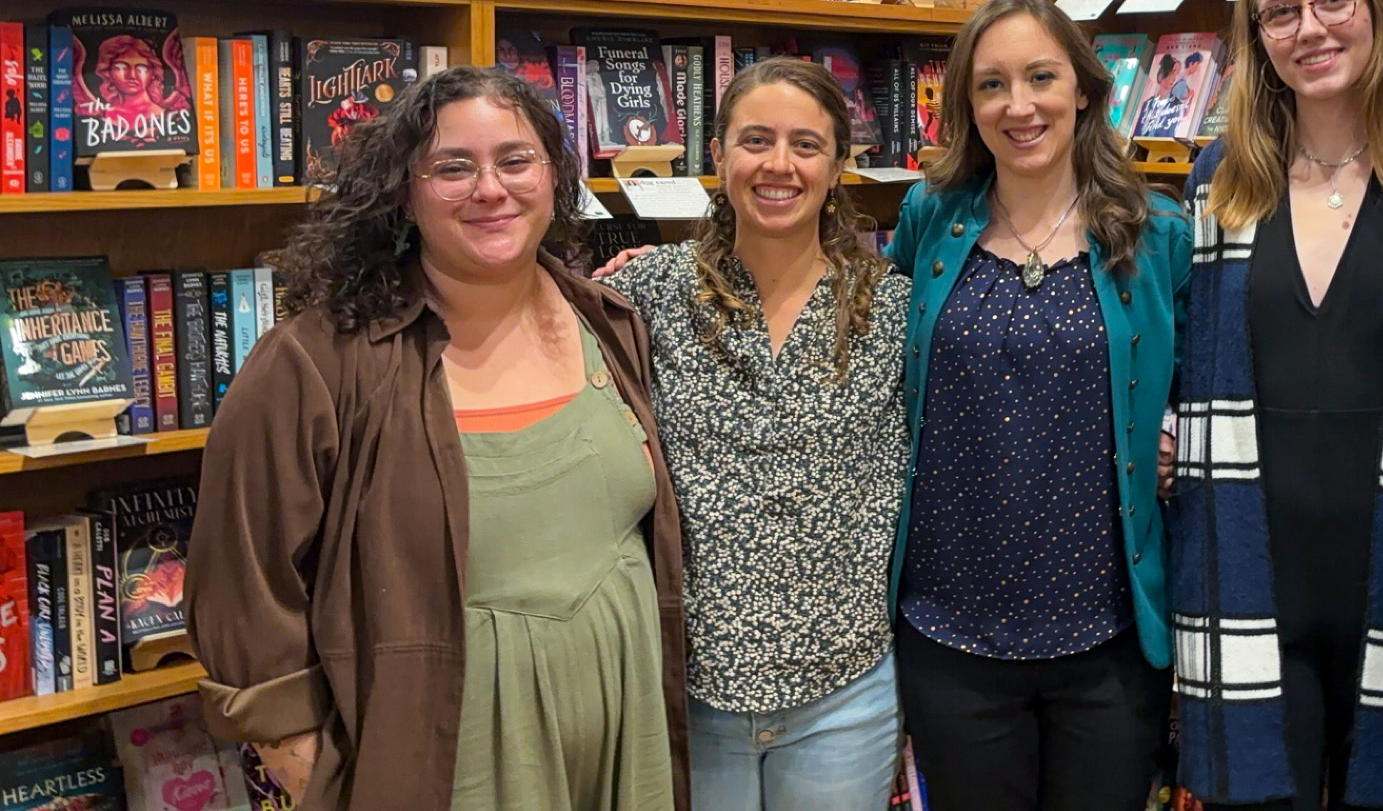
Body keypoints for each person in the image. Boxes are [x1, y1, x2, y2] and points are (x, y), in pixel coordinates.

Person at [185, 65, 690, 811]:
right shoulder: (317, 361)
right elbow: (242, 567)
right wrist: (291, 742)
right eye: (453, 167)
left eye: (516, 161)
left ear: (554, 178)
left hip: (626, 723)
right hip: (443, 745)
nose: (491, 189)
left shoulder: (608, 322)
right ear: (405, 192)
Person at [1171, 0, 1383, 811]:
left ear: (1376, 9)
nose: (1311, 29)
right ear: (1258, 42)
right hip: (1252, 573)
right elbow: (1191, 352)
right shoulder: (1222, 184)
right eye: (1281, 14)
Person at [885, 0, 1189, 811]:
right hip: (949, 627)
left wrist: (1170, 440)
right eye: (991, 85)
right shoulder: (929, 216)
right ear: (967, 104)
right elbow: (864, 335)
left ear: (1084, 90)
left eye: (1041, 78)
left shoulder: (1155, 230)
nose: (1019, 106)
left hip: (1108, 633)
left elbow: (1208, 380)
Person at [598, 58, 909, 811]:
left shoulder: (894, 310)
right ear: (718, 155)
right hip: (689, 689)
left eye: (806, 145)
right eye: (756, 140)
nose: (779, 165)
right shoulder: (645, 294)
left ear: (839, 165)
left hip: (844, 692)